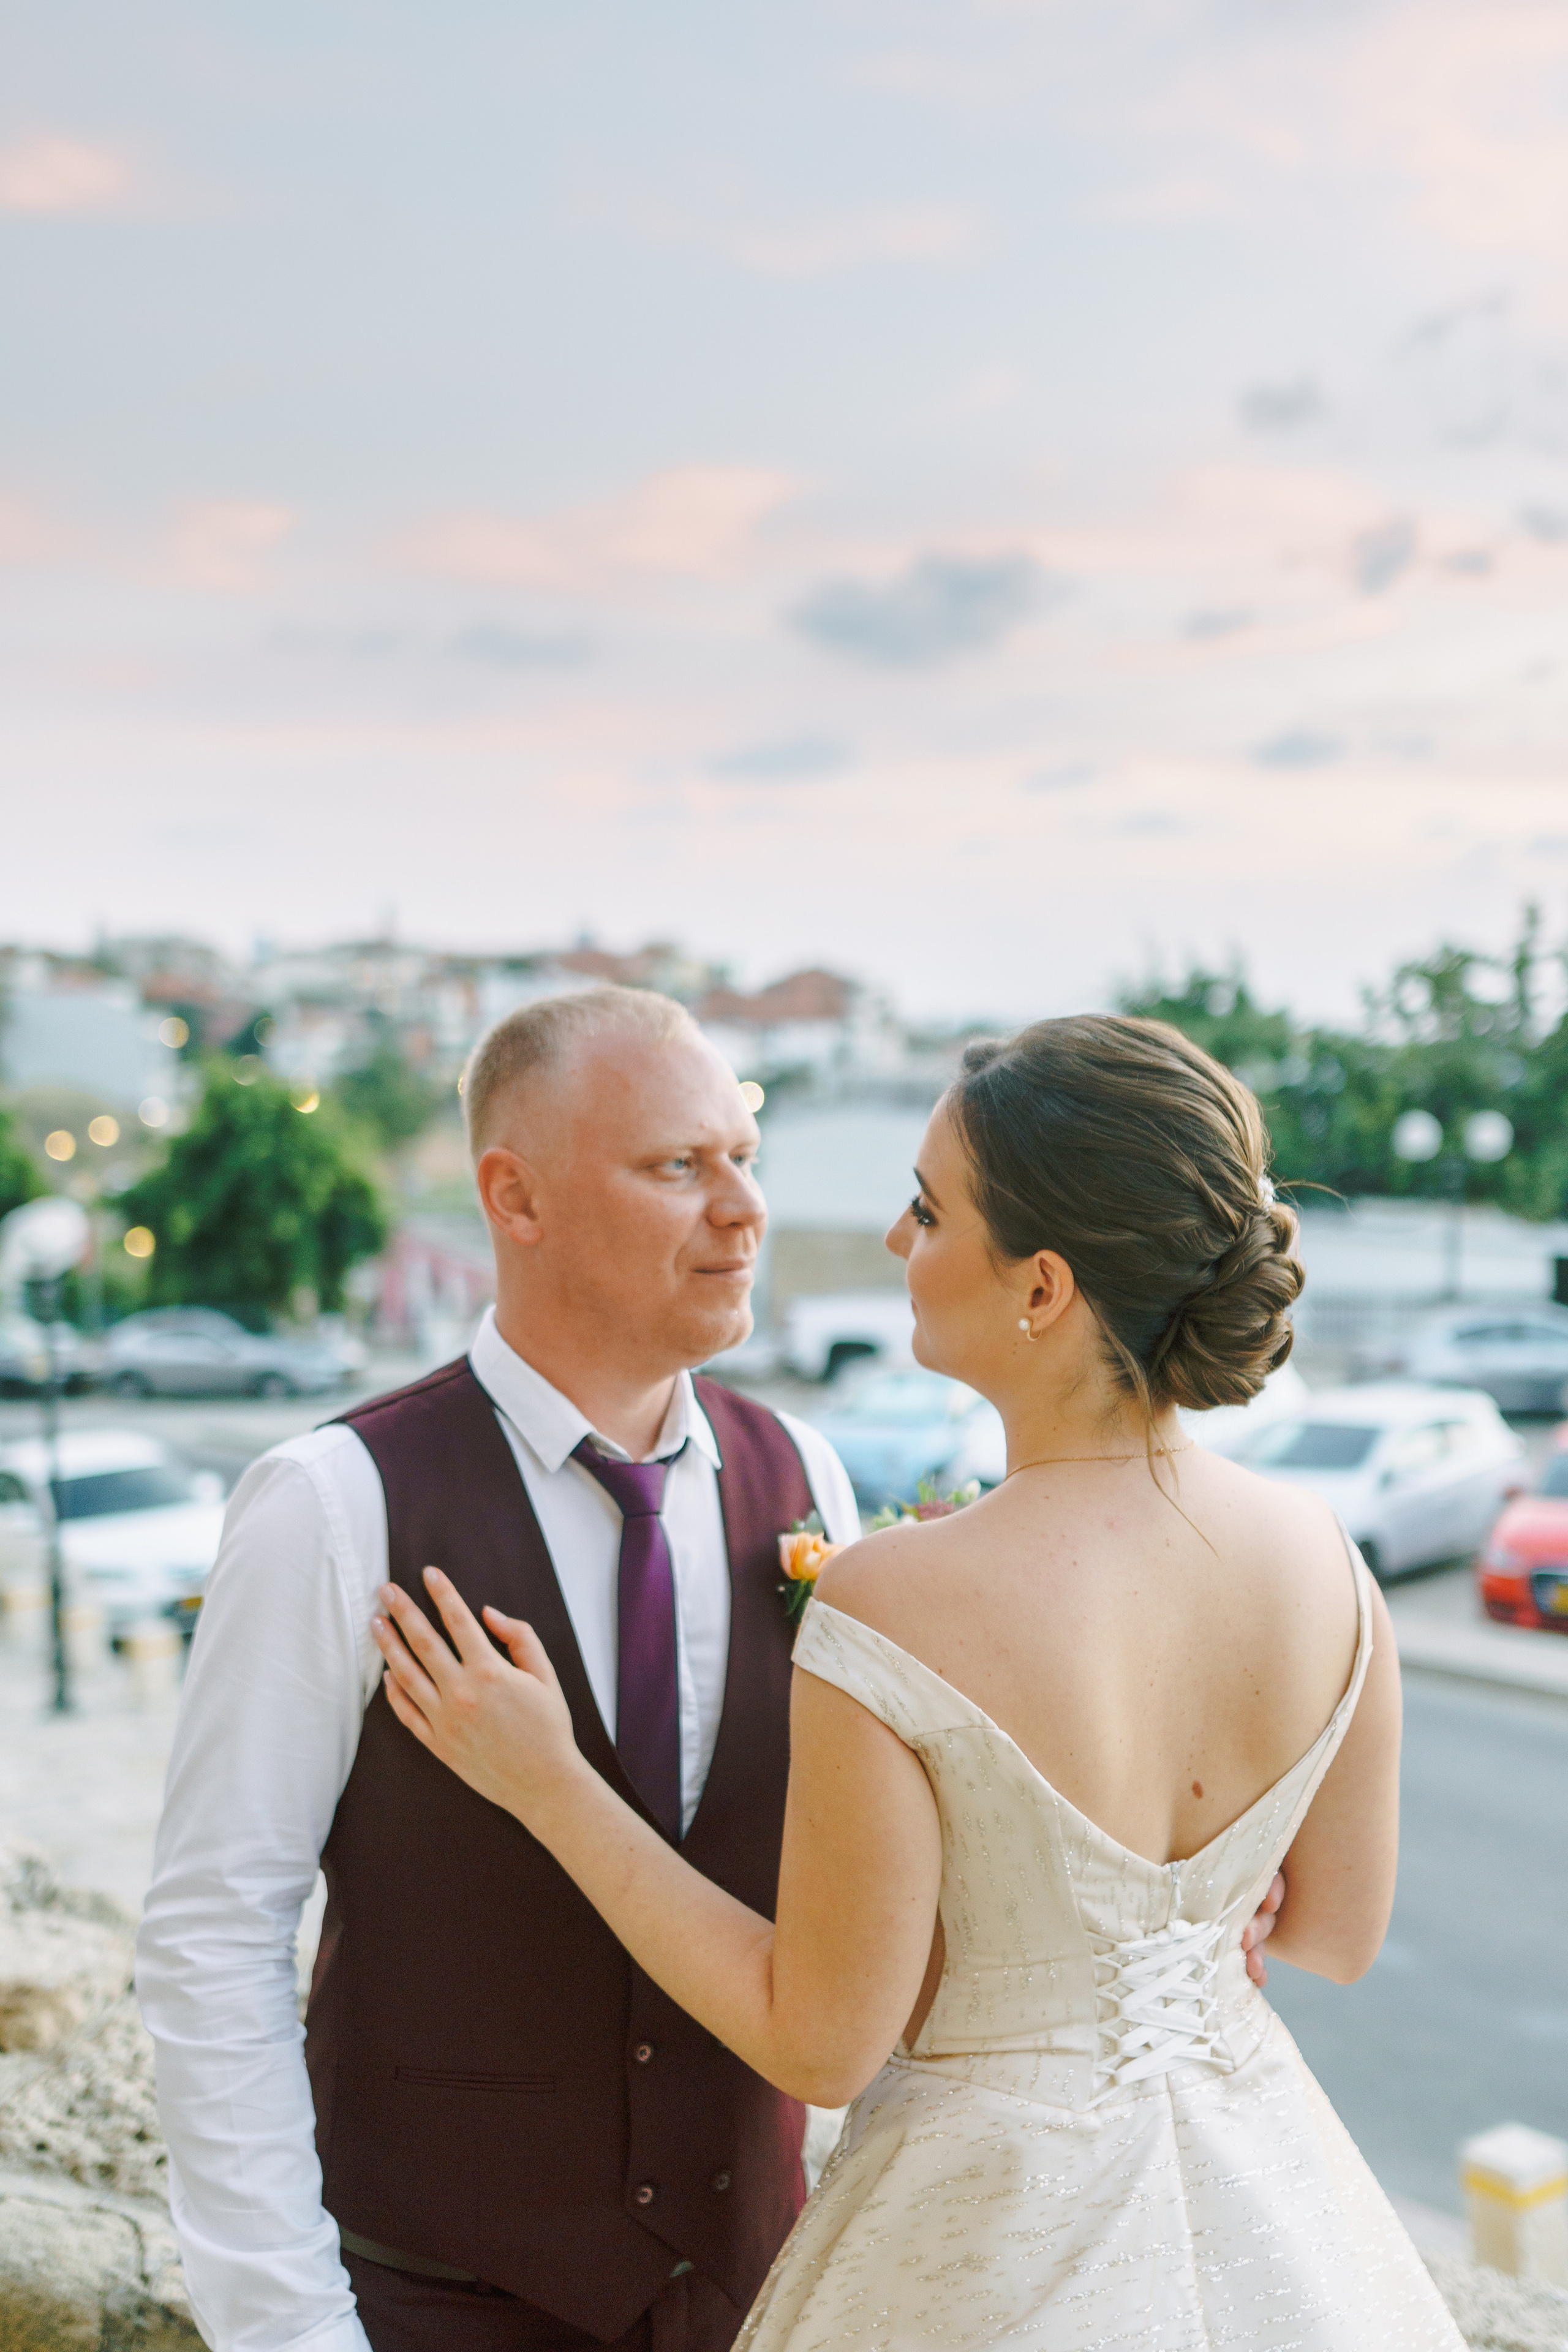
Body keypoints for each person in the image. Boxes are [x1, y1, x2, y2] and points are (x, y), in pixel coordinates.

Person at [371, 1014, 1464, 2351]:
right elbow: (1330, 1936)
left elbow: (820, 2043)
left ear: (1042, 1288)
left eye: (927, 1211)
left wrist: (551, 1785)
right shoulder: (1325, 1561)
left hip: (997, 2244)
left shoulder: (902, 1596)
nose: (897, 1244)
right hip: (1271, 2218)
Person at [135, 987, 864, 2352]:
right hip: (430, 2307)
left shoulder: (808, 1483)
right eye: (675, 1167)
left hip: (752, 2306)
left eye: (742, 1158)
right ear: (512, 1200)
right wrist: (286, 2329)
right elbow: (213, 1939)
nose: (741, 1210)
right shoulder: (334, 1502)